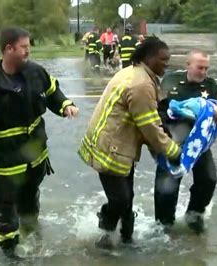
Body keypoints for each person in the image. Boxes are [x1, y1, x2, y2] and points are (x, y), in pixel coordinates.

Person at [0, 27, 79, 258]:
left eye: (29, 47)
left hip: (34, 160)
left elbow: (52, 91)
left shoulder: (36, 72)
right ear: (9, 49)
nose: (29, 51)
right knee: (5, 216)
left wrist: (65, 105)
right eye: (24, 47)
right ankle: (9, 255)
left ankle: (33, 244)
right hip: (5, 165)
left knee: (30, 207)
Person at [78, 37, 182, 249]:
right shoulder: (141, 83)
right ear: (149, 58)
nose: (167, 64)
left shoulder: (134, 72)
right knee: (121, 199)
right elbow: (150, 127)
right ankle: (105, 237)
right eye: (163, 60)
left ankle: (126, 237)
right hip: (111, 149)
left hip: (115, 144)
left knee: (128, 195)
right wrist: (172, 150)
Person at [155, 50, 217, 233]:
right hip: (172, 139)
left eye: (206, 68)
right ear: (188, 65)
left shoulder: (212, 86)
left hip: (198, 142)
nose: (203, 72)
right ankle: (164, 224)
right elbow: (159, 108)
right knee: (167, 187)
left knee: (208, 180)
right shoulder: (170, 80)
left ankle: (194, 215)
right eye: (199, 67)